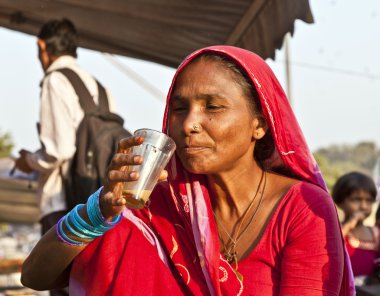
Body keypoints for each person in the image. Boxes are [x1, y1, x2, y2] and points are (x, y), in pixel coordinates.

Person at [20, 46, 355, 295]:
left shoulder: (302, 210)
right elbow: (35, 277)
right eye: (180, 108)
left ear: (260, 124)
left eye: (213, 106)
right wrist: (101, 210)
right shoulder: (156, 205)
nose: (189, 124)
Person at [15, 18, 115, 296]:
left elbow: (57, 152)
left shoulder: (54, 81)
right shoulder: (101, 89)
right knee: (90, 284)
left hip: (62, 203)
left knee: (62, 286)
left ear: (42, 46)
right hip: (96, 204)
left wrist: (28, 161)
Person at [332, 172, 379, 281]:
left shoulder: (376, 233)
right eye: (356, 199)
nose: (363, 206)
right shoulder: (335, 230)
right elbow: (330, 248)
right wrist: (349, 225)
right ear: (340, 202)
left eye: (369, 201)